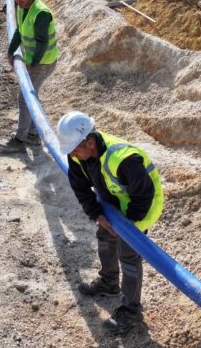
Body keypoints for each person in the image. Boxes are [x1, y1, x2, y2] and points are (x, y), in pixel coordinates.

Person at [56, 111, 164, 335]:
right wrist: (97, 214)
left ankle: (132, 312)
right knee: (104, 234)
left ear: (89, 142)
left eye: (75, 149)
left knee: (129, 254)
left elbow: (143, 195)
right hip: (115, 203)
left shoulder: (124, 159)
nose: (72, 154)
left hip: (142, 206)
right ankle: (109, 282)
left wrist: (127, 225)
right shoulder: (77, 155)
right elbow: (80, 188)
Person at [0, 0, 57, 153]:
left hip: (44, 62)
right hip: (35, 60)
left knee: (25, 98)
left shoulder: (41, 14)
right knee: (31, 95)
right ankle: (33, 133)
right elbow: (19, 31)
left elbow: (42, 43)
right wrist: (11, 51)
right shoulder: (22, 8)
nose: (19, 1)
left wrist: (32, 64)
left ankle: (20, 139)